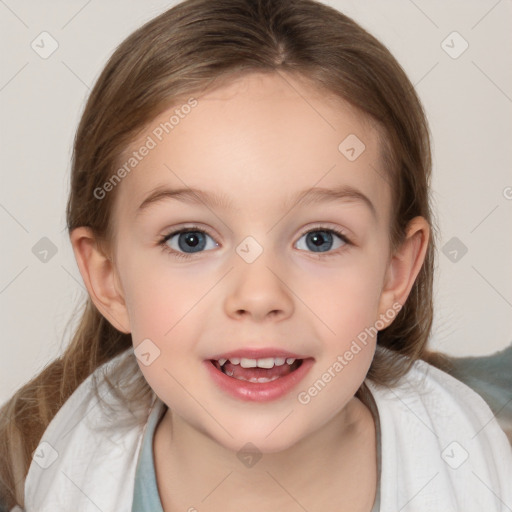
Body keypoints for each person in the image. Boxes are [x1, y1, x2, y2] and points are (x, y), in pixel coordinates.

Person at [1, 0, 511, 510]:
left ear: (394, 275)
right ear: (108, 278)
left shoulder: (491, 453)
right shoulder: (35, 474)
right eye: (191, 239)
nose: (260, 296)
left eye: (320, 239)